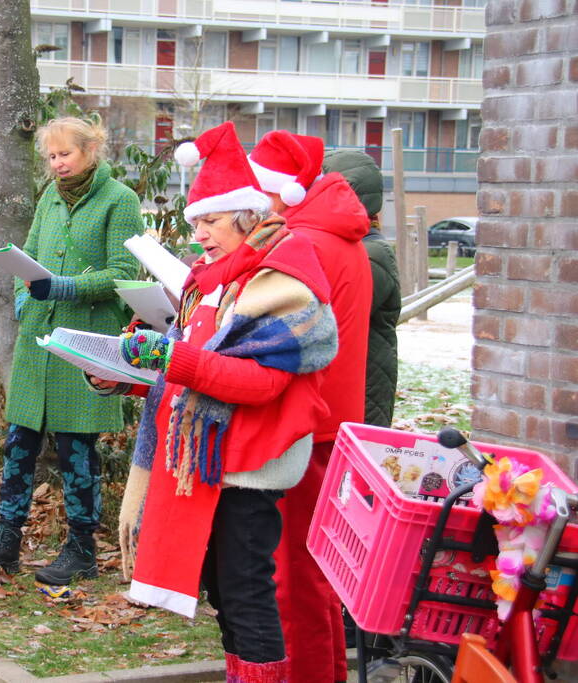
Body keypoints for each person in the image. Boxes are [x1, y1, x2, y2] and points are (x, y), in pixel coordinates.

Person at [113, 122, 338, 683]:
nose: (201, 236)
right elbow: (196, 365)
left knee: (245, 594)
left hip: (254, 464)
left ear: (245, 215)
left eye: (209, 221)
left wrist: (168, 359)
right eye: (195, 224)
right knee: (225, 593)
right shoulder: (221, 278)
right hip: (221, 459)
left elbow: (259, 382)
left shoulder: (285, 273)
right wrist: (123, 375)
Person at [0, 116, 142, 586]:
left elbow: (123, 275)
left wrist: (59, 287)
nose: (57, 163)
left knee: (75, 449)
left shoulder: (119, 200)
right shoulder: (48, 196)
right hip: (38, 342)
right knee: (19, 444)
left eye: (65, 154)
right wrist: (26, 297)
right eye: (51, 156)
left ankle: (81, 549)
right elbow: (33, 260)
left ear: (91, 150)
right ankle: (6, 543)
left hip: (85, 342)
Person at [248, 130, 372, 683]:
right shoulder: (333, 236)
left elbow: (277, 336)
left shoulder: (306, 244)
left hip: (305, 424)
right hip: (329, 420)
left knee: (293, 575)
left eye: (258, 189)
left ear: (284, 193)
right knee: (313, 571)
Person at [321, 148, 401, 428]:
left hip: (364, 390)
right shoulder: (357, 247)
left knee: (353, 465)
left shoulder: (371, 253)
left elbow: (332, 309)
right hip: (349, 385)